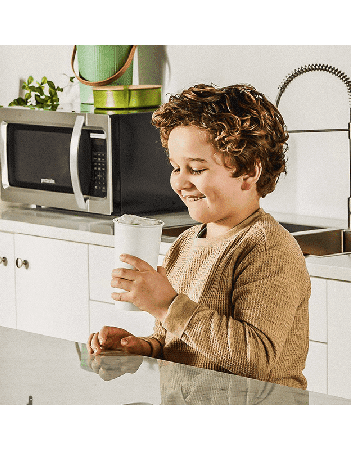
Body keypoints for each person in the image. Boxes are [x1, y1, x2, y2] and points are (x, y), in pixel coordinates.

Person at [87, 83, 311, 389]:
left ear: (249, 172)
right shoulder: (185, 244)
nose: (179, 182)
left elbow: (255, 359)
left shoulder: (268, 248)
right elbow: (177, 342)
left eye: (195, 168)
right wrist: (139, 348)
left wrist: (166, 305)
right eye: (175, 167)